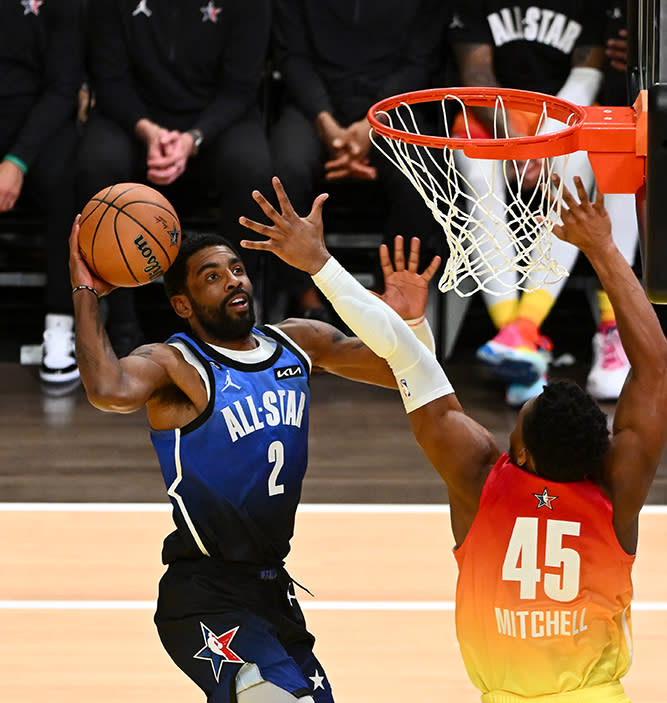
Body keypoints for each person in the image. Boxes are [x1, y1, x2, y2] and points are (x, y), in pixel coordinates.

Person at [240, 175, 667, 703]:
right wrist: (602, 251)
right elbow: (654, 361)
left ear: (515, 444)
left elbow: (411, 367)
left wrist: (329, 269)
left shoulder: (479, 479)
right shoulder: (618, 494)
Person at [70, 177, 440, 703]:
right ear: (181, 303)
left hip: (270, 594)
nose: (233, 279)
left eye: (236, 268)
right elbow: (107, 389)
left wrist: (404, 322)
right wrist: (84, 289)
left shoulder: (294, 343)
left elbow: (399, 370)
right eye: (211, 275)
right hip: (206, 596)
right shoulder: (177, 365)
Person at [448, 1, 637, 406]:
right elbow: (476, 75)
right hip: (493, 116)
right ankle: (518, 342)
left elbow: (587, 75)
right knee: (480, 181)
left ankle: (526, 333)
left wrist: (548, 141)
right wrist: (516, 143)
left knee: (581, 170)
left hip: (566, 119)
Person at [75, 0, 274, 354]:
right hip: (134, 116)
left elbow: (240, 87)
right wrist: (149, 132)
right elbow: (110, 78)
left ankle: (236, 315)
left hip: (215, 118)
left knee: (251, 167)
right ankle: (121, 319)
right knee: (97, 163)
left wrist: (193, 138)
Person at [269, 0, 449, 318]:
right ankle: (305, 297)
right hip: (314, 106)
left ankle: (391, 297)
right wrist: (325, 121)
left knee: (420, 174)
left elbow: (421, 61)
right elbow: (292, 57)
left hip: (394, 104)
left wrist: (373, 122)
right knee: (285, 169)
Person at [0, 0, 84, 386]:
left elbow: (63, 87)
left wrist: (16, 161)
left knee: (67, 178)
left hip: (40, 119)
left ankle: (60, 325)